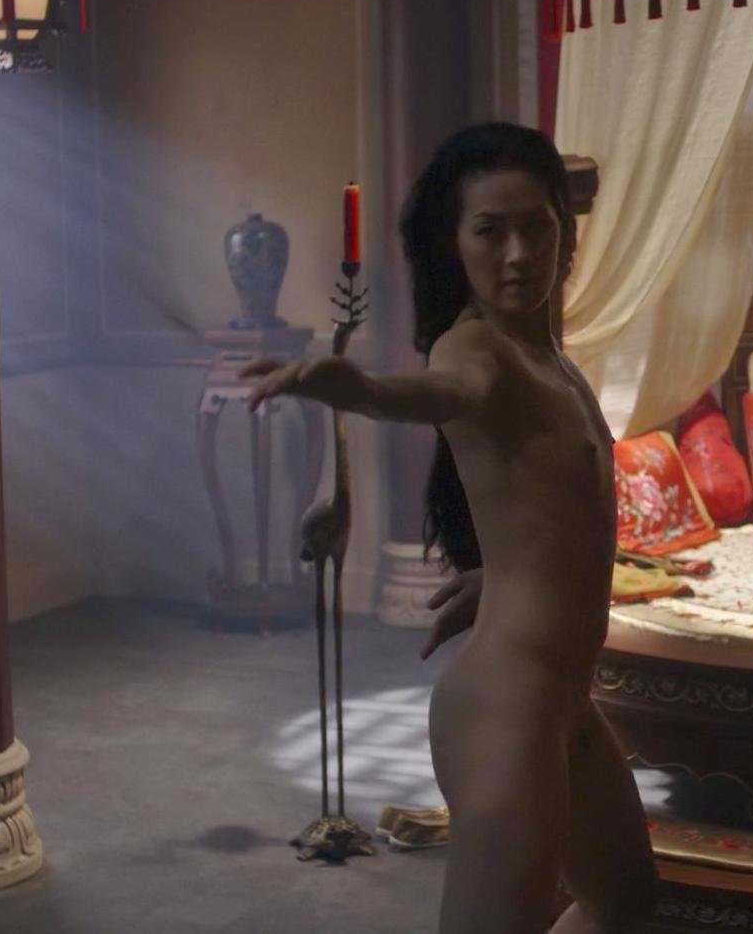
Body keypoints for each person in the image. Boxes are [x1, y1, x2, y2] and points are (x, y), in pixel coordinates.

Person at [241, 122, 657, 933]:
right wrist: (360, 391)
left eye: (536, 226)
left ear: (564, 232)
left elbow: (549, 505)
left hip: (564, 699)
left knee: (624, 905)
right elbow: (443, 394)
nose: (518, 254)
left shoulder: (550, 358)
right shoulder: (474, 348)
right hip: (507, 707)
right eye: (489, 231)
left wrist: (504, 573)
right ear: (455, 244)